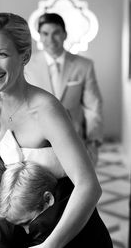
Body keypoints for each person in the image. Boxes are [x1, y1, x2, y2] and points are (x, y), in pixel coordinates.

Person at [0, 12, 102, 248]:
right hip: (11, 242)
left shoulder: (46, 110)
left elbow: (89, 186)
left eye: (1, 54)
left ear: (24, 56)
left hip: (64, 240)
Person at [0, 161, 122, 248]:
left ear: (48, 199)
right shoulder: (77, 201)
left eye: (26, 223)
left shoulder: (44, 230)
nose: (26, 232)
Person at [24, 12, 103, 165]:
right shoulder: (26, 65)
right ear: (39, 36)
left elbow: (93, 106)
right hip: (37, 145)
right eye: (45, 34)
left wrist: (93, 141)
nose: (50, 39)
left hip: (75, 141)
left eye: (56, 33)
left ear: (65, 34)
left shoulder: (84, 65)